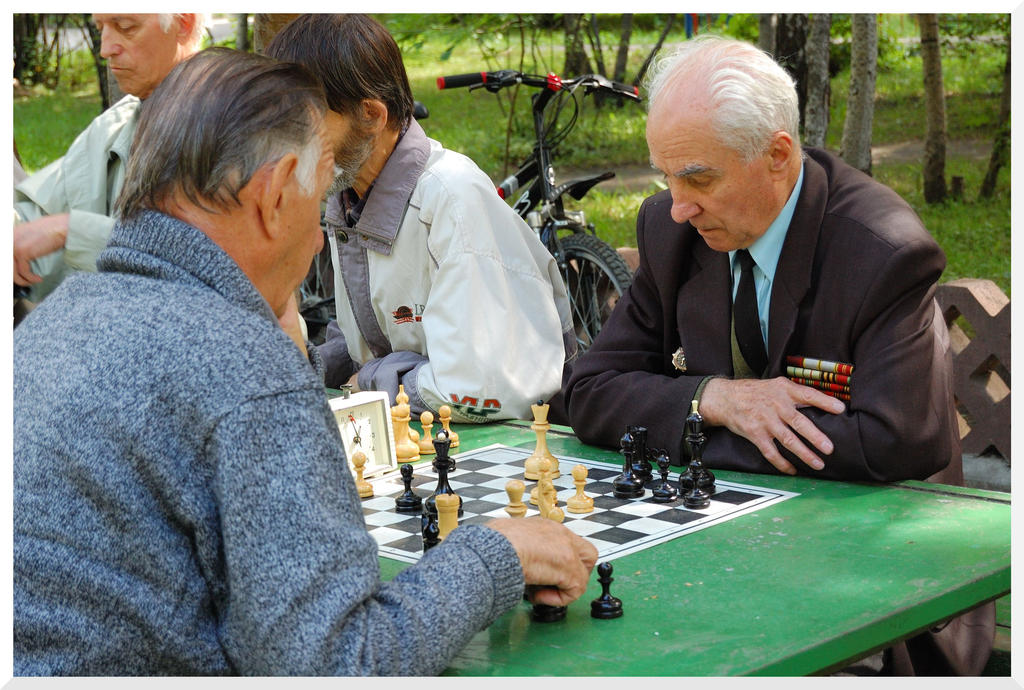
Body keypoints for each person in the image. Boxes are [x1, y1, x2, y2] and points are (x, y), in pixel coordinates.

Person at [14, 48, 597, 676]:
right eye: (318, 195)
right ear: (271, 194)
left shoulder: (51, 323)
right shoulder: (243, 367)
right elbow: (337, 664)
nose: (321, 235)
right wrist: (497, 554)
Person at [562, 35, 992, 676]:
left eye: (698, 177)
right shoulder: (673, 230)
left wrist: (687, 432)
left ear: (777, 156)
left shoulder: (881, 249)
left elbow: (898, 443)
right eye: (666, 176)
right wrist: (716, 400)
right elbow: (587, 391)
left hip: (880, 589)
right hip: (720, 555)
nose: (678, 205)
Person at [265, 14, 576, 424]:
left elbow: (475, 386)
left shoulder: (452, 198)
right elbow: (363, 345)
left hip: (516, 451)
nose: (289, 145)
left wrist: (368, 383)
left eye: (305, 125)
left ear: (372, 116)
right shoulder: (347, 197)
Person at [13, 13, 205, 303]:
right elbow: (36, 219)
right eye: (100, 28)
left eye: (125, 27)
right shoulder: (117, 123)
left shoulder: (233, 126)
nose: (105, 49)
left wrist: (70, 231)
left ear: (184, 23)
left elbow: (204, 264)